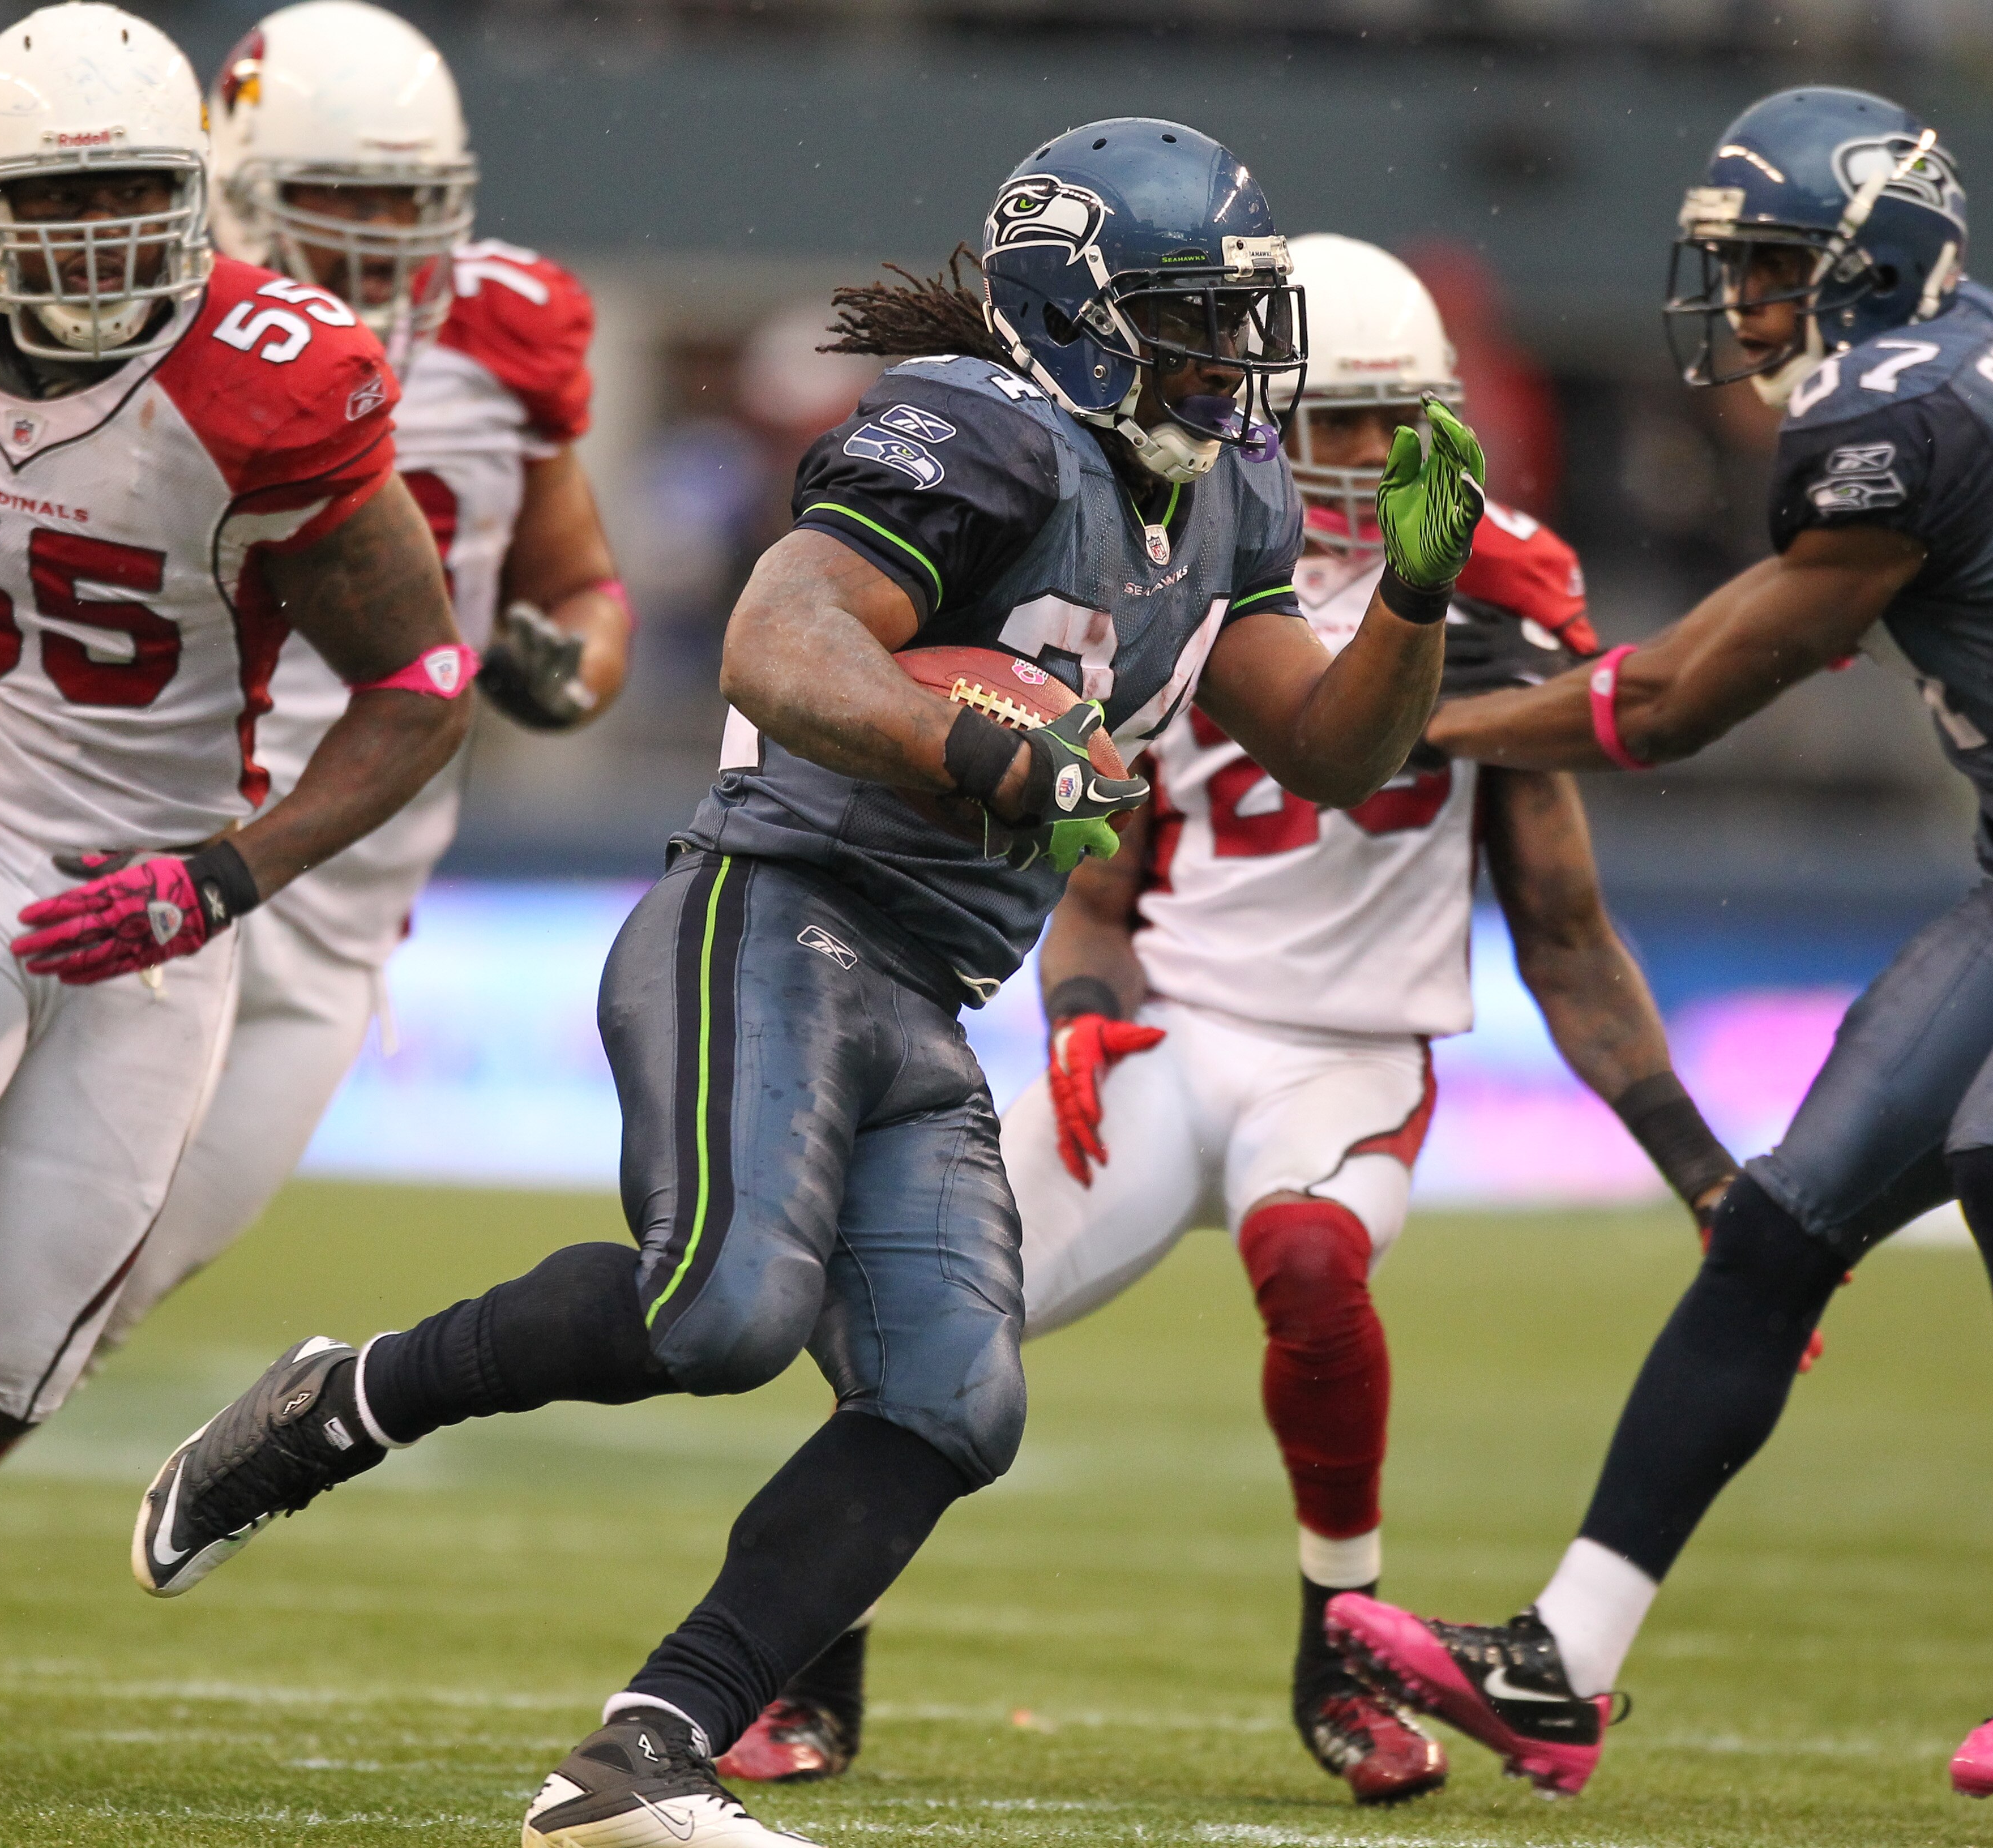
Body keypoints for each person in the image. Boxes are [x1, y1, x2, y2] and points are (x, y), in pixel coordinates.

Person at [129, 121, 1477, 1847]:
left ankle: (642, 1753)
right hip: (769, 910)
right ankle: (349, 1399)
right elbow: (780, 638)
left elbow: (1332, 747)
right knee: (723, 1314)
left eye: (1235, 315)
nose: (1229, 354)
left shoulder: (1225, 489)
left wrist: (1416, 607)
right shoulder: (979, 429)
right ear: (1078, 317)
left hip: (927, 980)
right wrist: (968, 744)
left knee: (950, 1400)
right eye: (1187, 316)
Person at [715, 236, 1740, 1806]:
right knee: (900, 1322)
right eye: (1326, 422)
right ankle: (810, 1660)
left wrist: (1694, 1162)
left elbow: (1556, 912)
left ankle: (1339, 1654)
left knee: (1313, 1262)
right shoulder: (1172, 540)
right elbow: (1106, 866)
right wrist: (1074, 1012)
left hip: (1346, 1050)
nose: (1357, 462)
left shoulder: (1496, 573)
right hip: (1171, 1026)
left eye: (1391, 424)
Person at [1327, 85, 1993, 1803]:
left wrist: (1441, 733)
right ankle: (1562, 1665)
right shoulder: (1956, 350)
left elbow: (1690, 699)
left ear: (1868, 264)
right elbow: (1730, 638)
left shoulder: (1890, 419)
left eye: (1773, 265)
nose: (1747, 302)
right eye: (1739, 265)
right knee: (1776, 1229)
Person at [0, 0, 629, 1603]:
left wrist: (568, 664)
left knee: (33, 1341)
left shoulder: (457, 341)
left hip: (301, 896)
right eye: (338, 201)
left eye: (405, 202)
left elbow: (560, 602)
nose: (377, 244)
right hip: (30, 815)